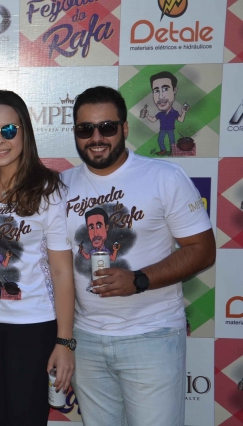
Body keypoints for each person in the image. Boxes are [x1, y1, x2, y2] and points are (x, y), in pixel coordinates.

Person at [64, 86, 215, 426]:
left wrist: (139, 280)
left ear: (125, 128)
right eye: (85, 129)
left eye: (107, 127)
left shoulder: (164, 177)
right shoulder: (61, 186)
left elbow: (203, 250)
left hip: (152, 337)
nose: (96, 138)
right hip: (86, 339)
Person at [0, 90, 75, 425]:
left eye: (9, 131)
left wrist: (64, 341)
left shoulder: (49, 190)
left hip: (34, 326)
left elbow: (62, 272)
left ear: (25, 132)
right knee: (3, 418)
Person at [139, 71, 190, 156]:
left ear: (174, 90)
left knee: (172, 141)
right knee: (160, 140)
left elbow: (181, 120)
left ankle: (173, 151)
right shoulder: (160, 114)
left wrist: (184, 112)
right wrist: (147, 115)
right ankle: (163, 149)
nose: (160, 96)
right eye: (156, 91)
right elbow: (153, 120)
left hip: (170, 129)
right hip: (162, 129)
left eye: (165, 89)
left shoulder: (174, 112)